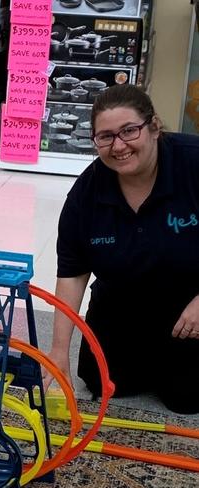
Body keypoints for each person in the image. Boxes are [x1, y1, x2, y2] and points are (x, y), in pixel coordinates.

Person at [44, 83, 199, 414]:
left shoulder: (193, 163)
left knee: (186, 399)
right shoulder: (86, 194)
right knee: (103, 383)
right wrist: (58, 352)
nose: (119, 146)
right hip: (122, 305)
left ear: (154, 127)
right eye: (106, 136)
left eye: (129, 131)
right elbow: (71, 273)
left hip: (189, 312)